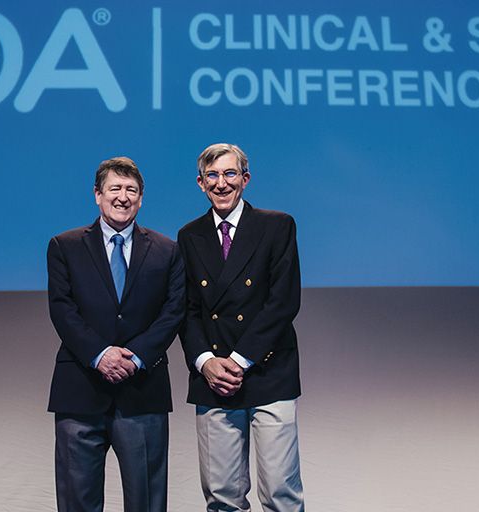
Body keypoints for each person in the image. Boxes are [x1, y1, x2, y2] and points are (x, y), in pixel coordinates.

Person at [46, 156, 184, 512]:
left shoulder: (167, 250)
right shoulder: (65, 246)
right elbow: (62, 309)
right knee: (78, 502)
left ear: (141, 198)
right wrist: (100, 354)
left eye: (131, 190)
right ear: (97, 194)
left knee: (147, 503)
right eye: (115, 189)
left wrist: (135, 357)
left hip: (143, 391)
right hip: (81, 390)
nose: (123, 197)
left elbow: (173, 313)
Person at [177, 143, 305, 511]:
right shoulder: (189, 236)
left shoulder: (277, 226)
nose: (221, 183)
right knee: (222, 499)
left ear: (245, 179)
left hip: (269, 372)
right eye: (212, 176)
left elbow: (283, 302)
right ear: (200, 183)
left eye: (230, 174)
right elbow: (186, 310)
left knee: (281, 494)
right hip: (214, 379)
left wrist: (239, 359)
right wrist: (206, 362)